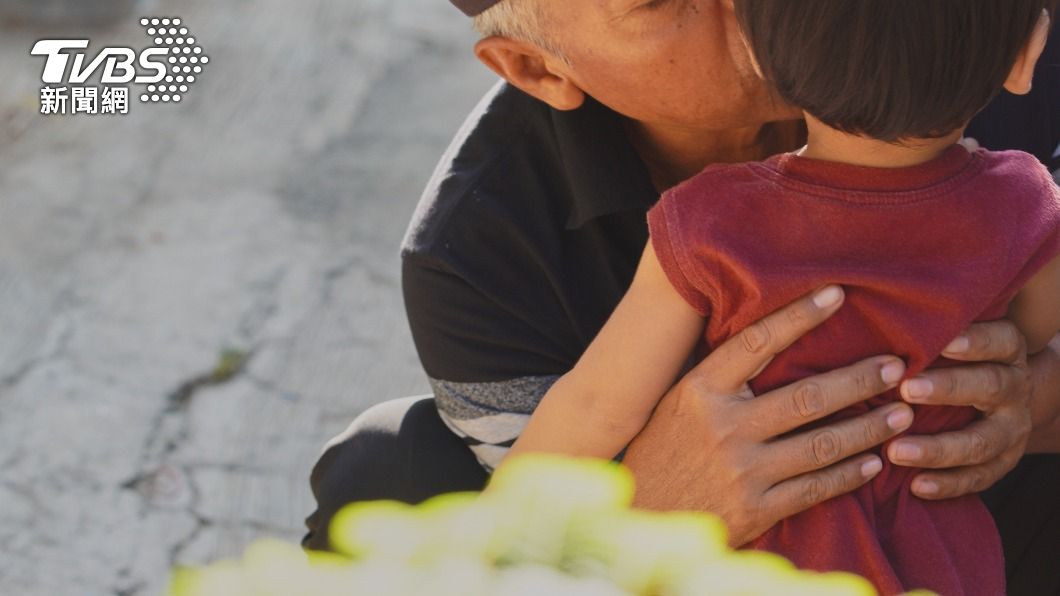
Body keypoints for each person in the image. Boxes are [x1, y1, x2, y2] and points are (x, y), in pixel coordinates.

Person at [304, 1, 1060, 593]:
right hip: (709, 566)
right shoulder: (477, 253)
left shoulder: (955, 28)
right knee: (386, 471)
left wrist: (1023, 405)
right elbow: (539, 509)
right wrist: (646, 502)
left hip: (959, 509)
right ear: (538, 68)